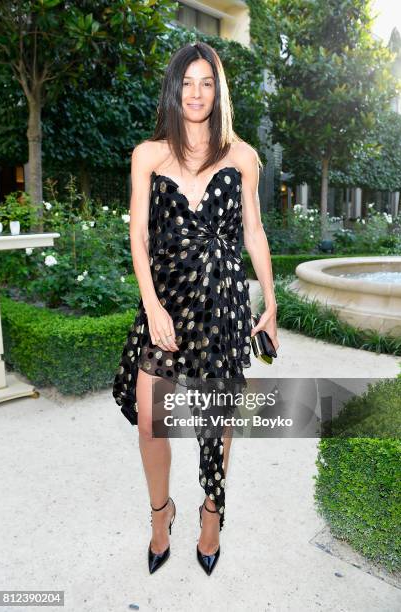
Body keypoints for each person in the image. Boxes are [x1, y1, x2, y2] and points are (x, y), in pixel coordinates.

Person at [113, 41, 279, 576]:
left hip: (222, 302)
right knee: (149, 420)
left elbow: (253, 232)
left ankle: (212, 512)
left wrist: (270, 301)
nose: (196, 92)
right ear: (174, 88)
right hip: (166, 299)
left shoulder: (243, 156)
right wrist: (151, 305)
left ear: (218, 90)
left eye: (207, 82)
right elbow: (138, 236)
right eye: (187, 82)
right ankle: (161, 513)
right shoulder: (148, 154)